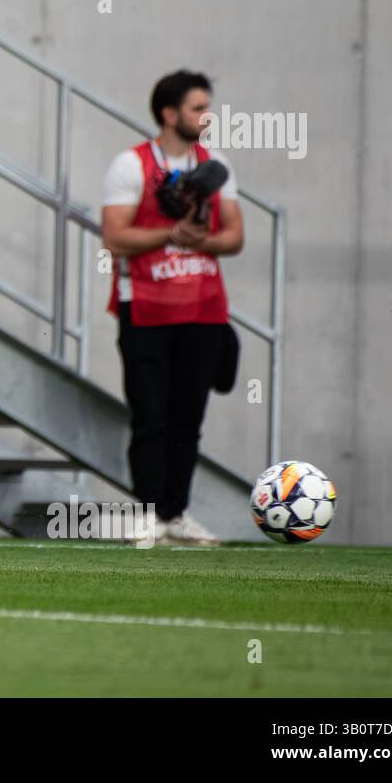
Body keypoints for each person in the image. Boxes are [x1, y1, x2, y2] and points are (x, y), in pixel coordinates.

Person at [100, 71, 243, 546]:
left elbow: (234, 236)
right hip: (144, 307)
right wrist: (170, 234)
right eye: (197, 108)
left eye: (207, 107)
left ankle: (176, 513)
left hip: (204, 309)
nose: (206, 116)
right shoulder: (131, 164)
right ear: (169, 113)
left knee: (188, 419)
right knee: (149, 415)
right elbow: (115, 236)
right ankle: (147, 516)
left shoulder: (216, 164)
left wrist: (203, 239)